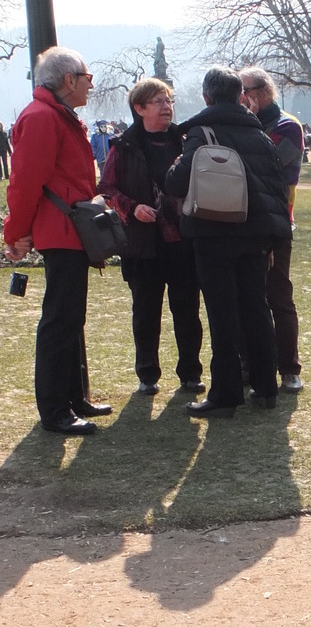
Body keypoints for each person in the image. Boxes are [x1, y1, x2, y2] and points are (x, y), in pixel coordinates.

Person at [163, 66, 290, 418]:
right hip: (255, 234)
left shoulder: (201, 132)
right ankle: (266, 388)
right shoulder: (260, 135)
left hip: (213, 231)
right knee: (256, 308)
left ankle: (226, 393)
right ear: (241, 97)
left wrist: (174, 166)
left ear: (206, 97)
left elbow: (176, 183)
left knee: (222, 314)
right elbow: (276, 186)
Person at [2, 46, 112, 435]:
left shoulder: (57, 115)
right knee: (60, 321)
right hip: (61, 232)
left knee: (70, 318)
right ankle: (55, 410)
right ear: (69, 80)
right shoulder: (42, 117)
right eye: (87, 76)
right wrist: (15, 233)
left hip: (70, 230)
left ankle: (72, 397)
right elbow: (25, 183)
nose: (90, 83)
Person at [98, 77, 203, 395]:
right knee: (146, 312)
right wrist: (131, 207)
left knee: (187, 310)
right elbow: (106, 188)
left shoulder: (185, 141)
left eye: (169, 100)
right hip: (142, 244)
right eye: (158, 101)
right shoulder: (124, 145)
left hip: (182, 240)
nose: (167, 106)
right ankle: (147, 375)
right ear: (139, 108)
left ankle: (190, 374)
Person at [239, 66, 305, 392]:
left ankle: (289, 368)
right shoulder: (241, 125)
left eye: (246, 89)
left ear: (264, 92)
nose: (241, 96)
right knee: (249, 299)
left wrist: (248, 125)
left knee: (279, 296)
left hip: (278, 221)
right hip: (242, 223)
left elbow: (269, 167)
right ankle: (251, 369)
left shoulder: (289, 127)